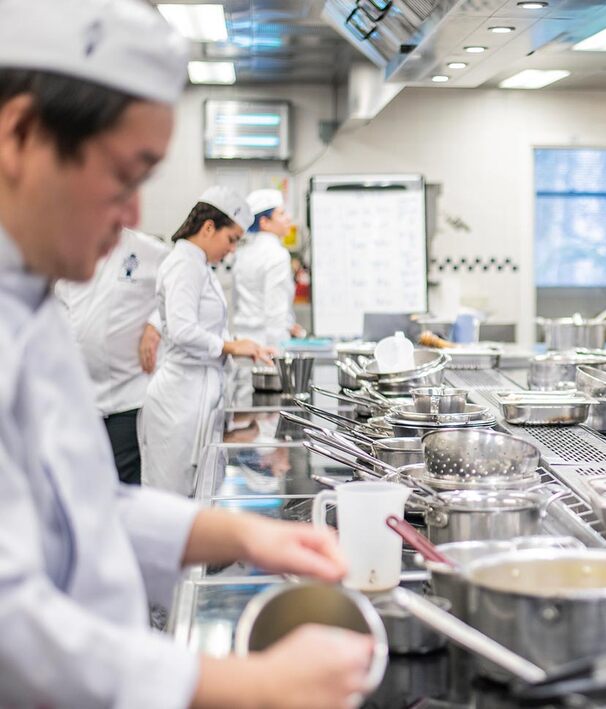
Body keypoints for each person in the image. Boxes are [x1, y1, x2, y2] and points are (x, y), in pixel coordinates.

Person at [0, 2, 374, 707]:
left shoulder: (29, 301)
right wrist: (251, 684)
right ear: (20, 134)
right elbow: (12, 627)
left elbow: (79, 510)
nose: (134, 216)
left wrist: (243, 535)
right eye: (125, 176)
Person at [141, 187, 275, 496]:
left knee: (197, 494)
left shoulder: (199, 265)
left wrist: (244, 345)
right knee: (172, 500)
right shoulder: (183, 264)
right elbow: (182, 330)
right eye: (232, 239)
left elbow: (207, 327)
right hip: (178, 403)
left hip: (195, 398)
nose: (232, 250)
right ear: (209, 227)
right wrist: (230, 347)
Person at [55, 227, 168, 484]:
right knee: (83, 481)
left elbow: (179, 292)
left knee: (123, 484)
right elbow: (59, 304)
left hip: (129, 396)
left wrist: (155, 326)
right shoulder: (67, 248)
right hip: (81, 396)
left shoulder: (150, 251)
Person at [234, 188, 304, 350]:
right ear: (264, 222)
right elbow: (275, 313)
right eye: (281, 214)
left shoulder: (242, 253)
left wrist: (288, 325)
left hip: (243, 343)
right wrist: (277, 351)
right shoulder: (277, 255)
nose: (289, 218)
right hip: (267, 347)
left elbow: (238, 302)